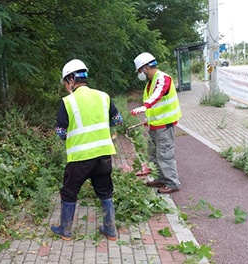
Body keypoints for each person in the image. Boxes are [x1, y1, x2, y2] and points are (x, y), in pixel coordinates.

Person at [51, 59, 123, 241]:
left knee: (69, 192)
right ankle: (110, 230)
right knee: (105, 191)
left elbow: (61, 133)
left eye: (65, 82)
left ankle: (65, 230)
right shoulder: (103, 96)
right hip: (104, 156)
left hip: (80, 157)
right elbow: (117, 120)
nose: (66, 86)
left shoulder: (68, 102)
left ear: (71, 79)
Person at [130, 52, 182, 194]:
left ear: (146, 67)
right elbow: (155, 106)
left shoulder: (163, 79)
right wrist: (148, 119)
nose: (140, 74)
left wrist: (144, 106)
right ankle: (161, 179)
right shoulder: (150, 82)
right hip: (155, 125)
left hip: (165, 125)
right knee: (154, 153)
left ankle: (172, 182)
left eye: (140, 70)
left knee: (165, 154)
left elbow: (158, 95)